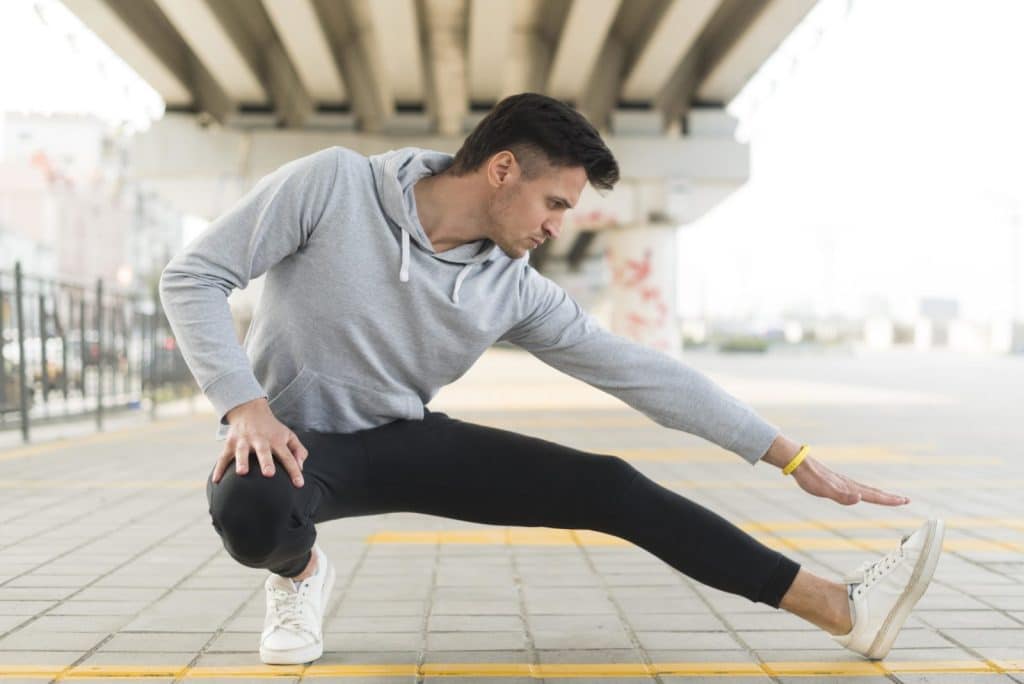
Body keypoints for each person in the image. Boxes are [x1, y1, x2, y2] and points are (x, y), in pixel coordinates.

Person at [159, 92, 944, 666]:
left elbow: (644, 375)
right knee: (250, 508)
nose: (554, 227)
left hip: (403, 438)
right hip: (293, 443)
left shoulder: (514, 287)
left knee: (611, 486)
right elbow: (192, 276)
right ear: (502, 170)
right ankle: (300, 575)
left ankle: (842, 608)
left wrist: (793, 458)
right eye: (554, 202)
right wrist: (245, 407)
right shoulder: (333, 185)